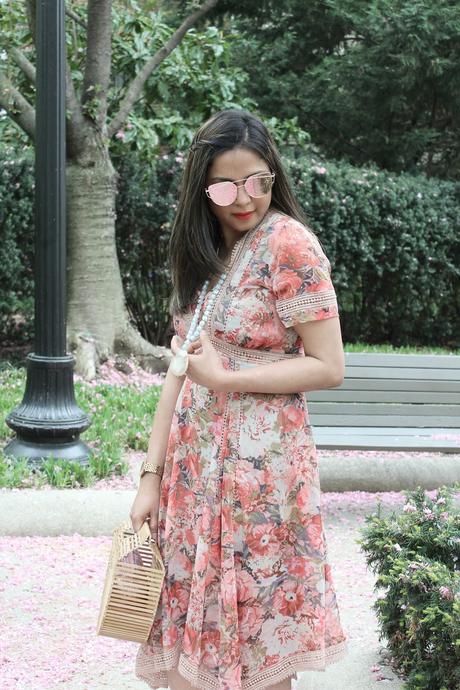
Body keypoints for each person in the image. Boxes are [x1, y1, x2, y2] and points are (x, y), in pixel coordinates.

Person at [130, 109, 348, 690]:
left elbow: (329, 366)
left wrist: (227, 380)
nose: (244, 197)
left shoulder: (289, 243)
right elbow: (179, 372)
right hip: (194, 473)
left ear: (272, 175)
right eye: (227, 185)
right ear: (203, 188)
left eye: (258, 180)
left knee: (253, 638)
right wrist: (150, 477)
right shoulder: (203, 256)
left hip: (262, 483)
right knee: (183, 646)